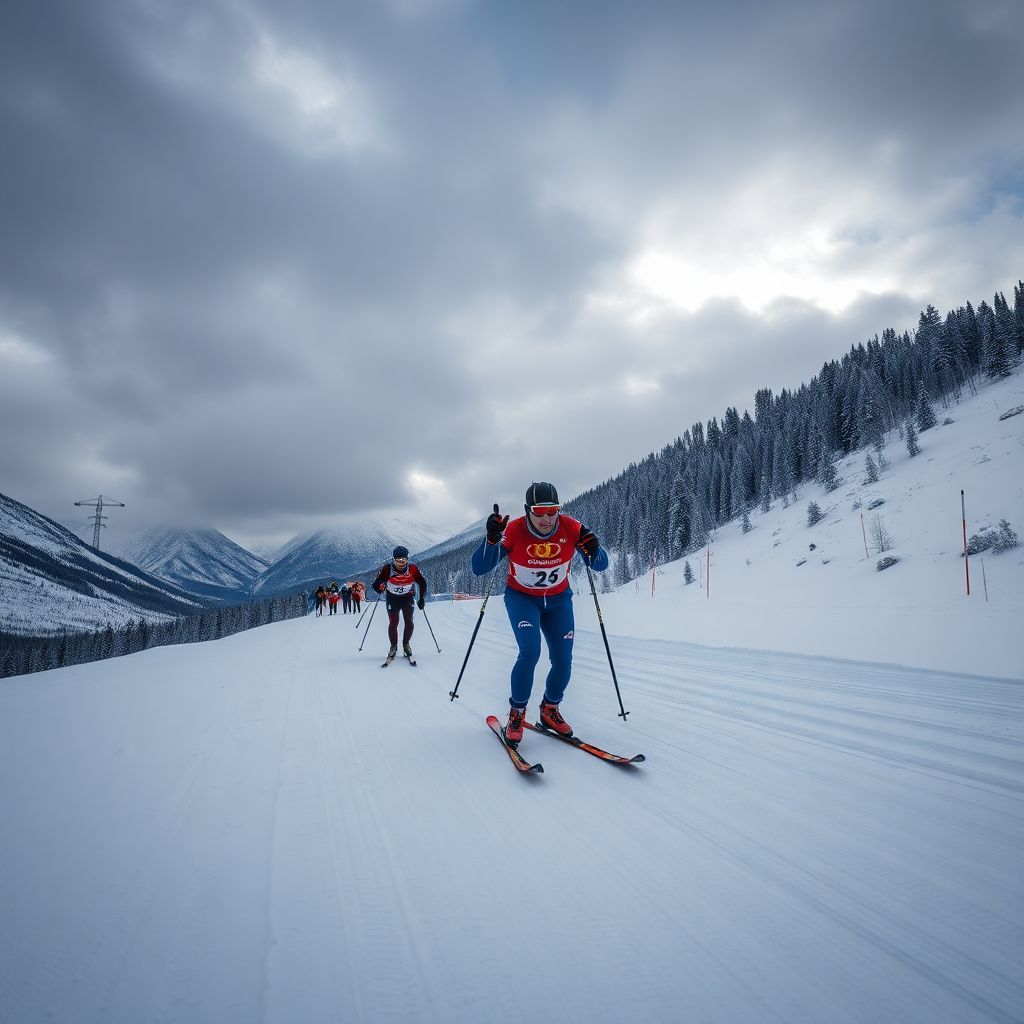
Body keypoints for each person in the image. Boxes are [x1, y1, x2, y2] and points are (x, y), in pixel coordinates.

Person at [471, 481, 608, 745]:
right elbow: (480, 568)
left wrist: (594, 547)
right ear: (527, 510)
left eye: (553, 510)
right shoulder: (514, 531)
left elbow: (599, 565)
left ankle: (550, 709)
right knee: (530, 651)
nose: (547, 518)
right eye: (540, 511)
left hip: (558, 600)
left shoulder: (572, 528)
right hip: (522, 599)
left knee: (563, 658)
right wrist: (490, 539)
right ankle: (517, 712)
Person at [373, 546, 427, 659]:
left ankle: (406, 644)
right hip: (392, 598)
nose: (401, 563)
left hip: (407, 597)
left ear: (407, 559)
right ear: (393, 559)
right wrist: (380, 587)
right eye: (398, 560)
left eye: (404, 560)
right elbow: (376, 583)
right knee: (393, 622)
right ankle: (393, 647)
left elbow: (422, 582)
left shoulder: (412, 568)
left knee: (409, 621)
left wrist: (421, 598)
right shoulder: (387, 569)